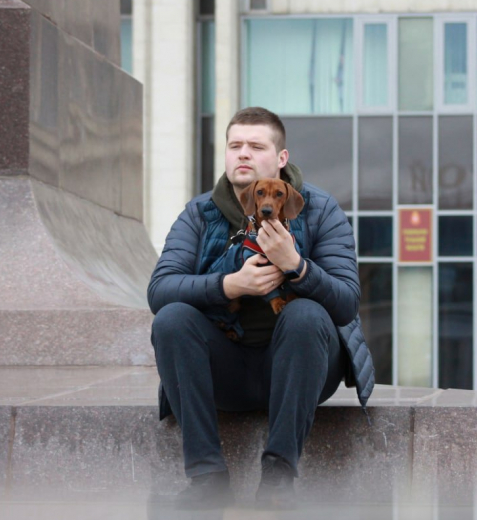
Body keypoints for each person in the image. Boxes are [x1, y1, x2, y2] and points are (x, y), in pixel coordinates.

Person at [147, 106, 374, 510]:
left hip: (301, 370)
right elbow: (159, 291)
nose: (243, 154)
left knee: (306, 314)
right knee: (171, 319)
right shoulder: (199, 213)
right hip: (223, 370)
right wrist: (229, 285)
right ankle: (206, 478)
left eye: (256, 146)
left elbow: (345, 304)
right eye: (235, 145)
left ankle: (279, 478)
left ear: (281, 158)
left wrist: (298, 267)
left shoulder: (321, 209)